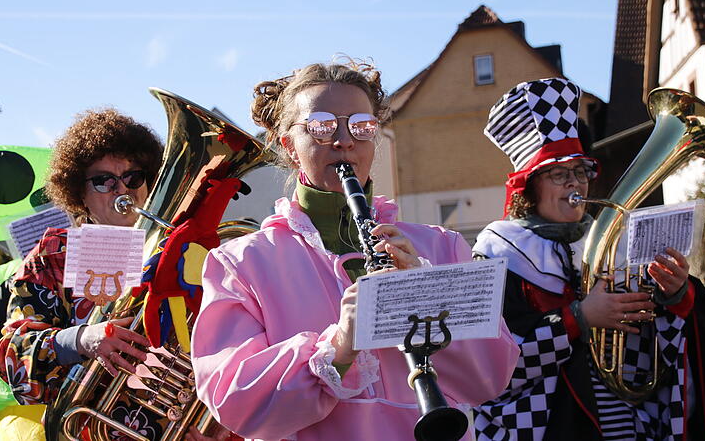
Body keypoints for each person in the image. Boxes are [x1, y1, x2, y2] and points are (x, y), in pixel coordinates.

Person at [189, 59, 520, 441]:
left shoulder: (441, 245)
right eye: (322, 126)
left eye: (361, 127)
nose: (344, 140)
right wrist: (339, 344)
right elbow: (233, 403)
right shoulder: (240, 263)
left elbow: (493, 377)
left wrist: (428, 300)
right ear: (289, 147)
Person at [472, 78, 705, 440]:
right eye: (559, 173)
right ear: (529, 185)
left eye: (581, 171)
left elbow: (662, 347)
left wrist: (677, 294)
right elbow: (491, 366)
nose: (576, 184)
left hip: (630, 424)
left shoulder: (612, 241)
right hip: (549, 427)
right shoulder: (496, 254)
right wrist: (579, 318)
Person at [0, 109, 163, 436]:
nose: (122, 190)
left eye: (133, 177)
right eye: (103, 181)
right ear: (79, 194)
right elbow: (12, 355)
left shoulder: (180, 251)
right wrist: (84, 340)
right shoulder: (53, 256)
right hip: (87, 428)